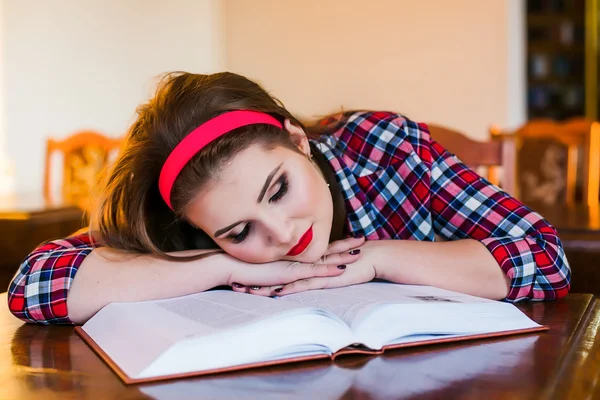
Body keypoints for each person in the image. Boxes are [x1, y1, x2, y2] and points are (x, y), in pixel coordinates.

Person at [7, 72, 571, 325]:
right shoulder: (193, 228)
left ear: (298, 140)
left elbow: (544, 257)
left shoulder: (381, 148)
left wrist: (375, 258)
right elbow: (36, 287)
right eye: (237, 230)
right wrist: (223, 265)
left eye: (278, 188)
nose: (279, 234)